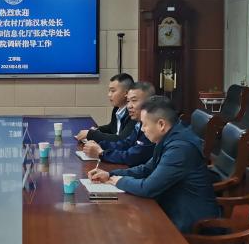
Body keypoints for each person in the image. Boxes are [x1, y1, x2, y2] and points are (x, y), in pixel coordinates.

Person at [90, 96, 219, 232]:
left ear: (161, 124)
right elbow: (146, 169)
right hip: (172, 211)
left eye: (145, 124)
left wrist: (119, 181)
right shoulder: (170, 137)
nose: (142, 129)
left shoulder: (180, 148)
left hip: (194, 224)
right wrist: (110, 174)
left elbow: (148, 188)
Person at [81, 81, 156, 167]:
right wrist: (99, 145)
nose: (129, 106)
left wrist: (101, 153)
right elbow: (125, 144)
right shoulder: (139, 124)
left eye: (134, 101)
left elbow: (132, 157)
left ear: (149, 103)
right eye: (128, 101)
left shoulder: (152, 127)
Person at [76, 73, 135, 144]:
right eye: (109, 91)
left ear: (126, 93)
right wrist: (96, 130)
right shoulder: (117, 108)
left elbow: (121, 139)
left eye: (113, 91)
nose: (109, 94)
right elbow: (112, 128)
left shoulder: (134, 113)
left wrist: (92, 134)